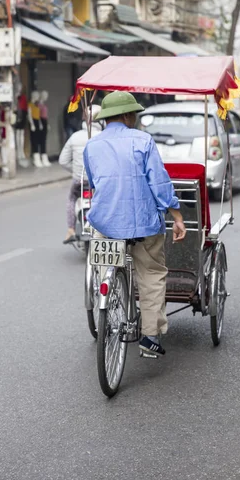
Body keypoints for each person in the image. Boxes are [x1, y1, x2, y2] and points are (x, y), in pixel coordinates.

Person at [83, 91, 187, 356]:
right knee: (151, 275)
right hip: (143, 224)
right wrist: (176, 215)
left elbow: (95, 184)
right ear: (129, 115)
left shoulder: (91, 146)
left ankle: (107, 289)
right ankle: (150, 337)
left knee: (105, 268)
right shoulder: (143, 140)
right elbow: (160, 185)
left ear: (107, 118)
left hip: (104, 223)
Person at [59, 104, 102, 244]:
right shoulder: (104, 137)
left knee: (72, 198)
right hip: (99, 182)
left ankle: (70, 229)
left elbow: (63, 161)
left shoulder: (74, 137)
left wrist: (77, 172)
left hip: (79, 181)